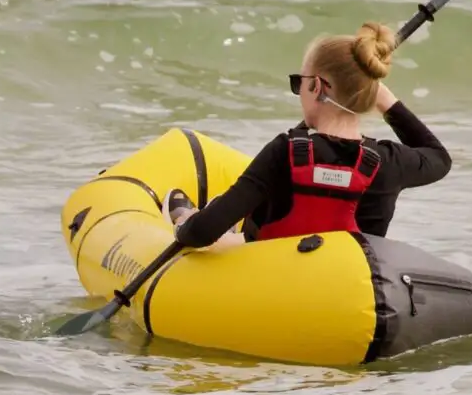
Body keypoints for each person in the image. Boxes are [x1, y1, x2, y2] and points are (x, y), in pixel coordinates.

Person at [162, 21, 452, 250]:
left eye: (298, 83)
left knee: (215, 222)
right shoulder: (390, 162)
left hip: (269, 285)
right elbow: (439, 157)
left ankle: (194, 214)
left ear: (317, 87)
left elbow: (200, 234)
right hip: (346, 292)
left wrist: (186, 223)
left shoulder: (284, 152)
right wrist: (388, 103)